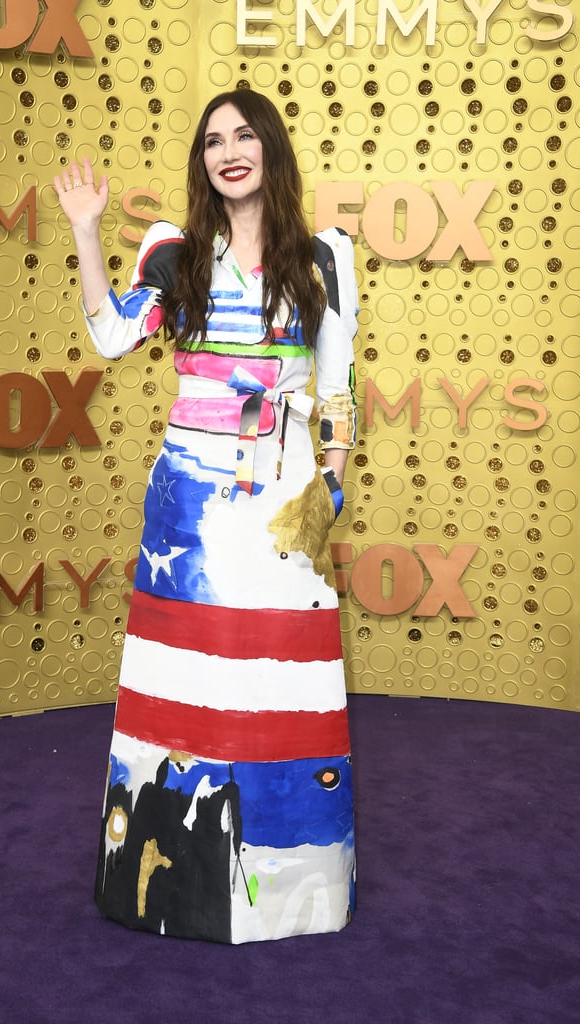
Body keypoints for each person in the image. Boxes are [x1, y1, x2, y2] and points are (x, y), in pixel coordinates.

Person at [53, 89, 358, 944]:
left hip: (285, 500)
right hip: (188, 505)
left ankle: (287, 875)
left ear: (270, 148)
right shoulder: (174, 250)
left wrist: (327, 493)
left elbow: (336, 391)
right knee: (189, 677)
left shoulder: (324, 258)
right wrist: (86, 231)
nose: (230, 151)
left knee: (275, 679)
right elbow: (115, 339)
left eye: (245, 135)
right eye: (214, 140)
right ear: (204, 160)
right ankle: (170, 887)